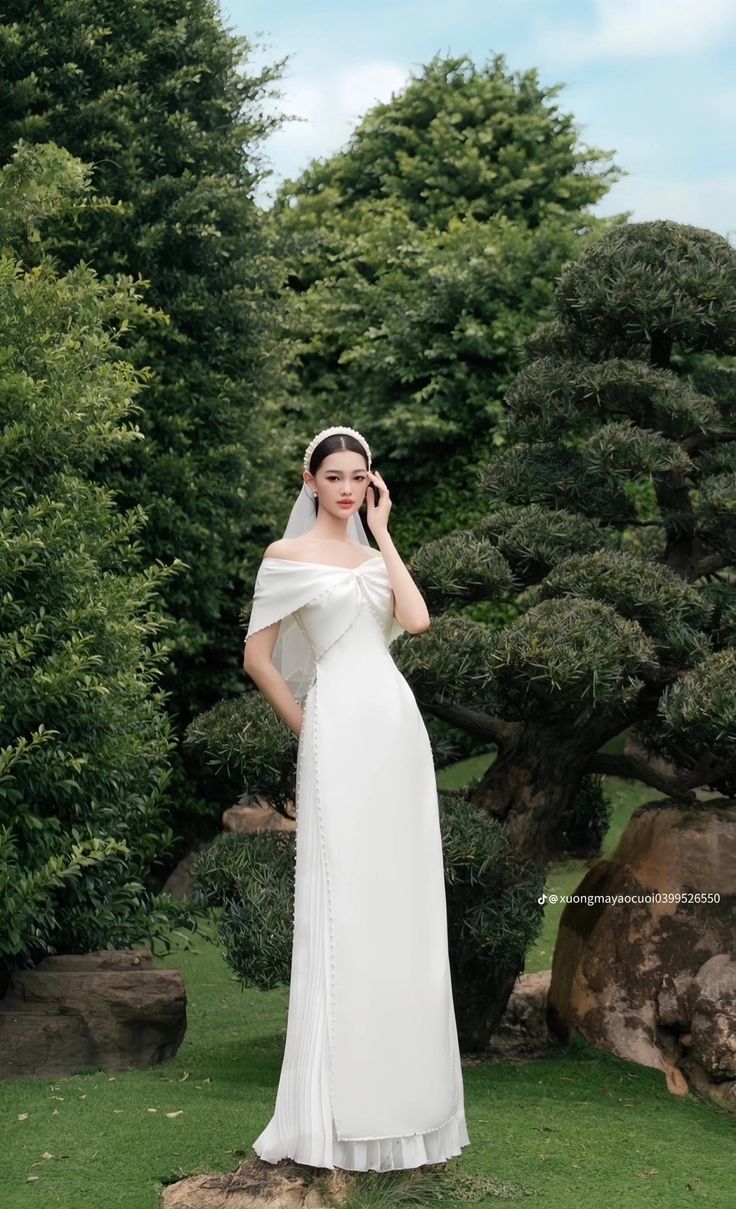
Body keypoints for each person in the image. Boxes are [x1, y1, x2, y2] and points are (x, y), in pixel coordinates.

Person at [242, 425, 470, 1172]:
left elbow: (417, 620)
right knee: (346, 909)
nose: (345, 485)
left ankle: (408, 1114)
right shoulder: (285, 558)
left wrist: (385, 533)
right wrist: (308, 726)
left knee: (403, 906)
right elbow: (258, 657)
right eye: (333, 475)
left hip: (396, 734)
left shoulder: (376, 557)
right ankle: (330, 1117)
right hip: (336, 730)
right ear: (309, 481)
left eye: (357, 475)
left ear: (371, 482)